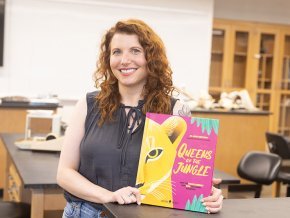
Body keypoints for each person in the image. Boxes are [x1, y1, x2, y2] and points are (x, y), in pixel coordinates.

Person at [57, 19, 223, 218]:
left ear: (150, 58)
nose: (124, 60)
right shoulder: (88, 104)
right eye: (116, 52)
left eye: (135, 51)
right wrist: (109, 196)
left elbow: (185, 181)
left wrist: (205, 194)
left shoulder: (176, 111)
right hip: (84, 213)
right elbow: (65, 173)